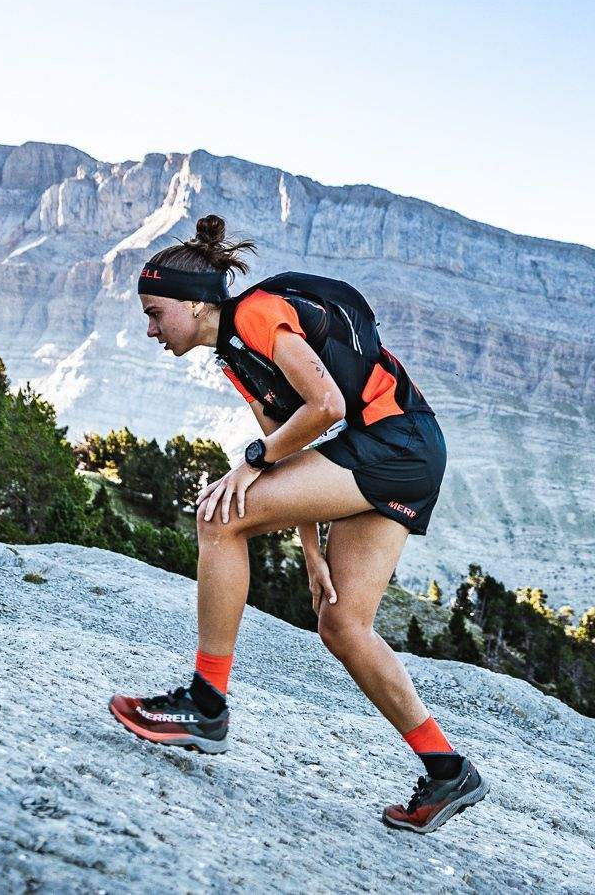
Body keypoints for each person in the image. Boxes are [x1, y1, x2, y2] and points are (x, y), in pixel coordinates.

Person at [107, 215, 488, 834]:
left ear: (197, 305)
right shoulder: (234, 358)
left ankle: (206, 704)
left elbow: (326, 409)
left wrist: (248, 464)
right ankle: (447, 769)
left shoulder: (257, 315)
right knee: (342, 624)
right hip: (408, 451)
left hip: (393, 442)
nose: (150, 329)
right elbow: (291, 450)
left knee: (219, 516)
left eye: (155, 313)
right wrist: (311, 550)